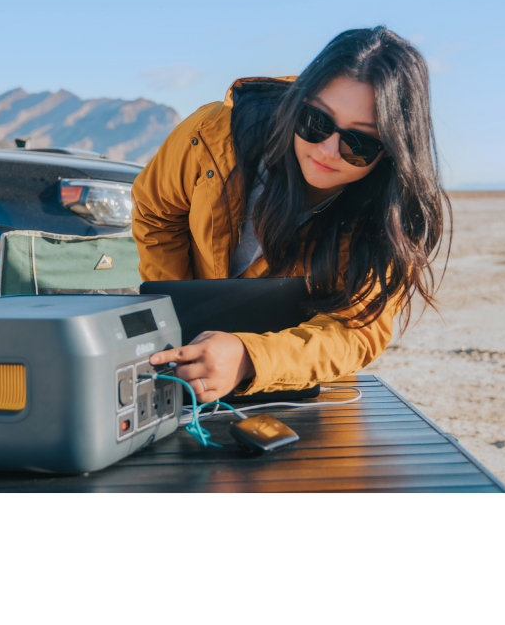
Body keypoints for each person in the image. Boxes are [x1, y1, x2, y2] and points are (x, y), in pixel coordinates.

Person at [132, 26, 450, 403]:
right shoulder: (212, 135)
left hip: (292, 386)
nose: (329, 150)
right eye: (316, 122)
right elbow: (156, 211)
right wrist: (183, 314)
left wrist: (251, 357)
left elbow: (355, 331)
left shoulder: (390, 219)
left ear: (392, 152)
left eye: (359, 142)